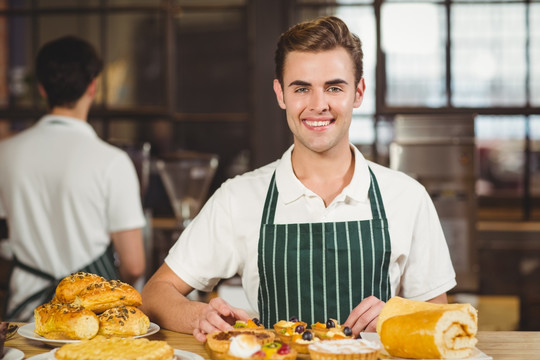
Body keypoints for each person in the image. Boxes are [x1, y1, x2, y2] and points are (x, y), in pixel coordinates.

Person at [140, 16, 456, 342]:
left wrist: (395, 315)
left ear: (358, 92)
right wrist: (200, 314)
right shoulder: (239, 197)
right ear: (280, 94)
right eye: (302, 88)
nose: (318, 105)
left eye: (334, 87)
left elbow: (441, 320)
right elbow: (155, 294)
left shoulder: (406, 196)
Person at [0, 36, 146, 321]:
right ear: (93, 86)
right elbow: (135, 265)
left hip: (25, 318)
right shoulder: (112, 161)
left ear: (42, 89)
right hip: (90, 320)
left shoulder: (4, 153)